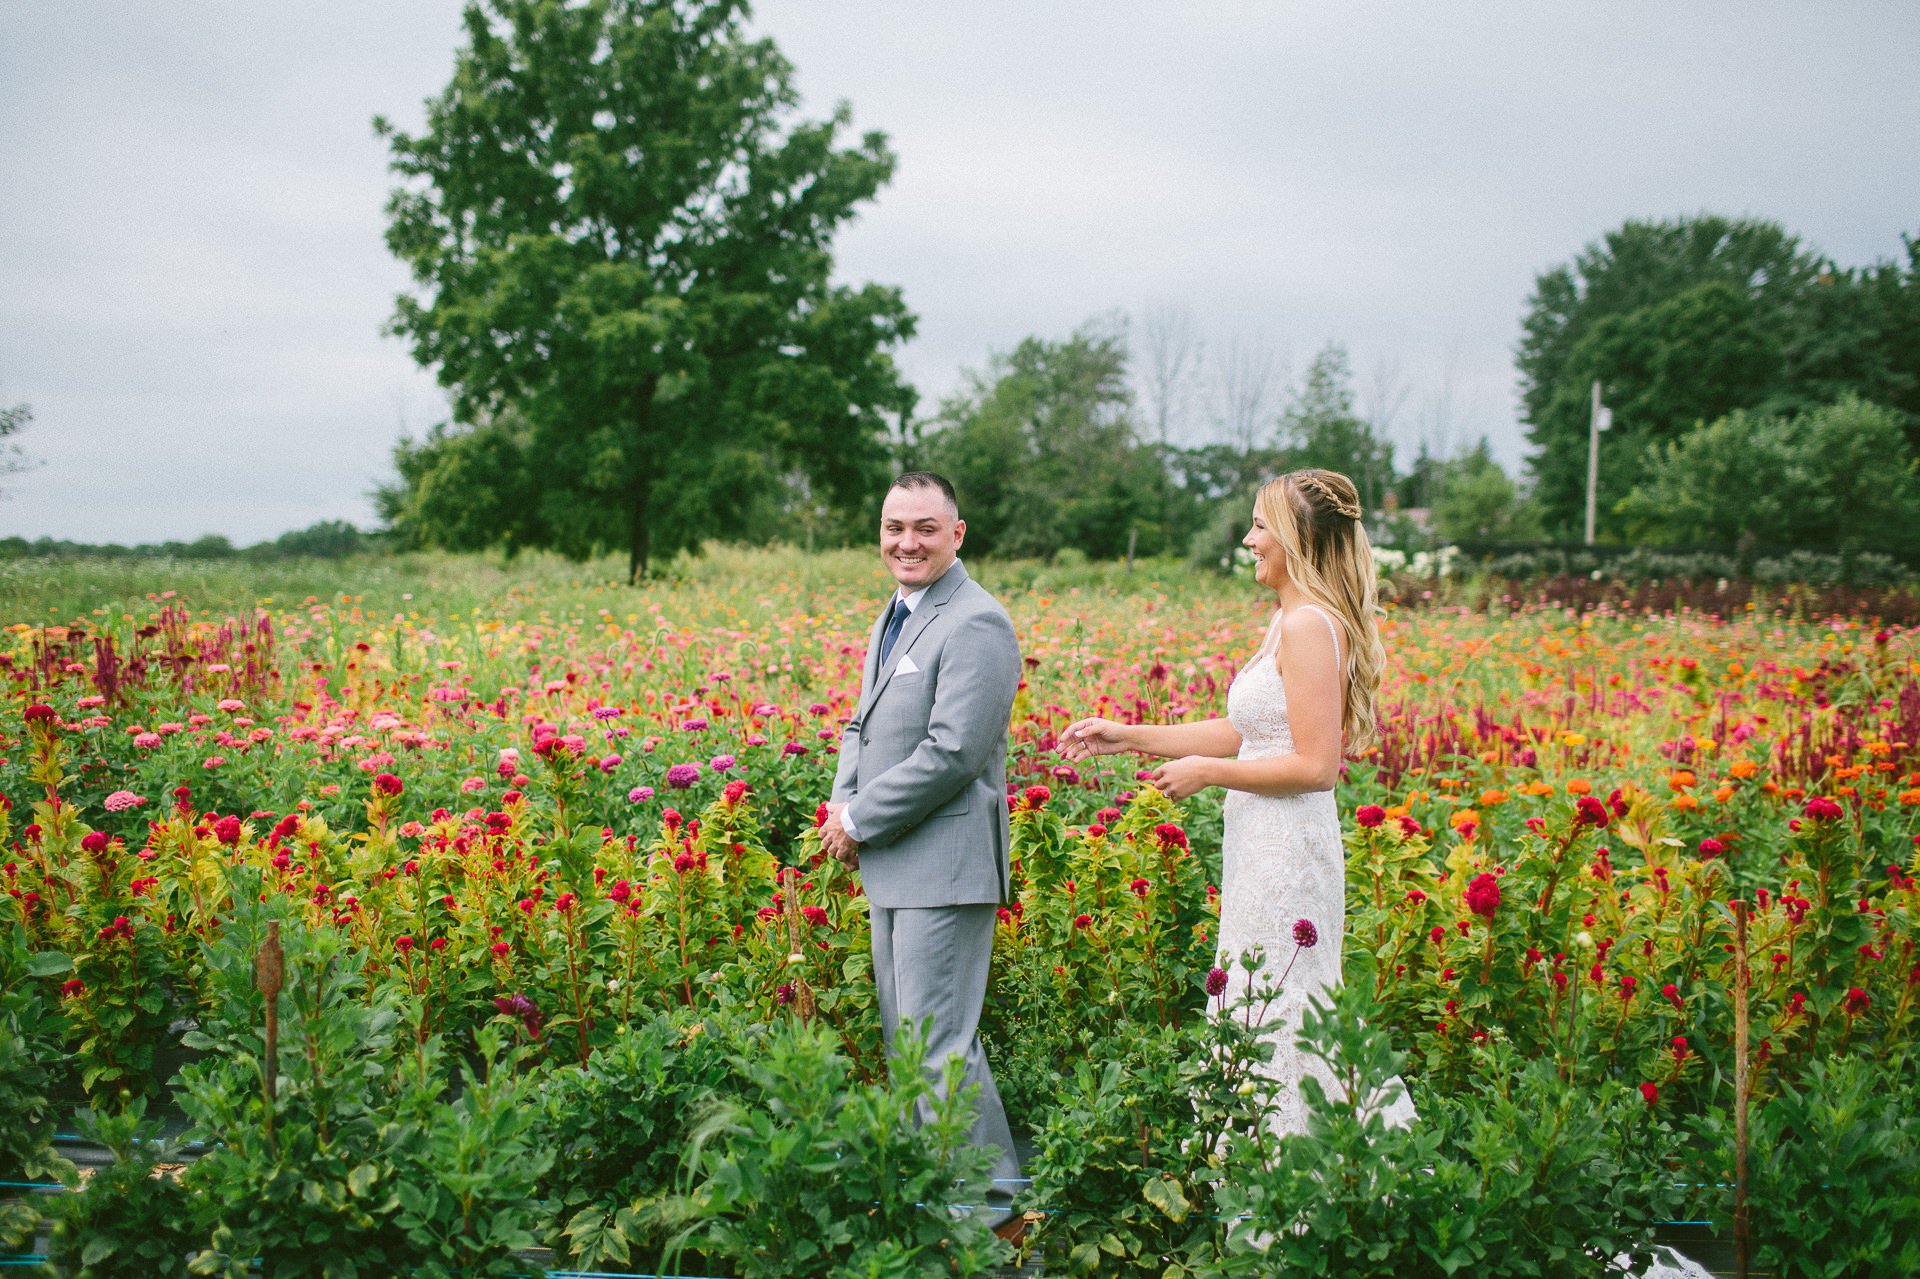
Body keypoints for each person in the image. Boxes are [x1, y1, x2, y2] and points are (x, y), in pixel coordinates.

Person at [1061, 468, 1414, 1134]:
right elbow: (1244, 732)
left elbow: (1316, 765)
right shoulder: (1285, 620)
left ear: (1296, 536)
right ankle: (1266, 1170)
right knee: (1258, 995)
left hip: (1290, 847)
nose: (1249, 539)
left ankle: (1313, 1170)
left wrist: (1211, 773)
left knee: (1284, 1000)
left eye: (1260, 524)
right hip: (1261, 842)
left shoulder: (1311, 624)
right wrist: (1128, 736)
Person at [820, 470, 1026, 1238]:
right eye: (894, 527)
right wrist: (843, 808)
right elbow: (862, 726)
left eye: (924, 528)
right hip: (897, 863)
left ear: (957, 534)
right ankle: (938, 1198)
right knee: (912, 1046)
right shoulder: (899, 613)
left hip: (944, 864)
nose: (907, 541)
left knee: (939, 1047)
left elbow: (952, 753)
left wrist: (864, 818)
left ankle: (994, 1213)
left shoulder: (977, 621)